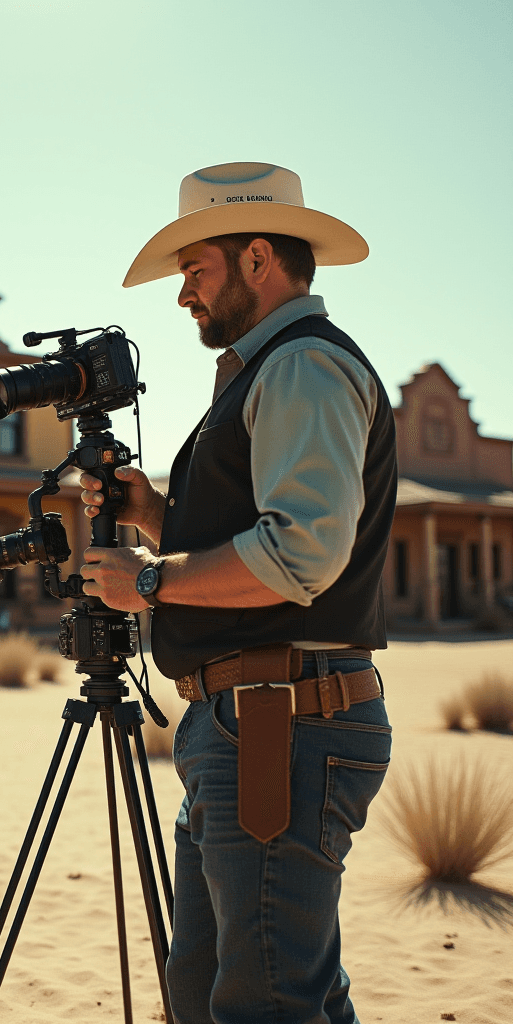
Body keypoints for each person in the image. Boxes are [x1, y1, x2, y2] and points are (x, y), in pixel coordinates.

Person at [78, 162, 397, 1024]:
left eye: (195, 269)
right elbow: (264, 531)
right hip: (256, 722)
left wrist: (150, 581)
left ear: (258, 258)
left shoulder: (300, 366)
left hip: (281, 721)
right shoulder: (271, 368)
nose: (183, 294)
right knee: (229, 986)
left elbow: (300, 552)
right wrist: (157, 516)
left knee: (264, 1002)